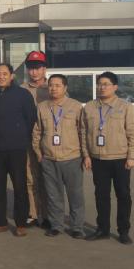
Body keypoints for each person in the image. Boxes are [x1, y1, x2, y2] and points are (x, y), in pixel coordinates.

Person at [82, 71, 134, 245]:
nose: (102, 87)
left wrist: (132, 156)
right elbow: (83, 133)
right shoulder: (89, 107)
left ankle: (123, 231)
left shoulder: (125, 107)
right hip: (98, 159)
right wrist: (86, 155)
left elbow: (133, 133)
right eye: (99, 84)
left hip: (120, 159)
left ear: (115, 87)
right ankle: (103, 229)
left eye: (106, 84)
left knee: (123, 195)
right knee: (101, 195)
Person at [0, 63, 37, 237]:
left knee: (20, 185)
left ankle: (21, 223)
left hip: (16, 148)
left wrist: (19, 135)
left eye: (5, 73)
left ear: (11, 76)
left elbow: (30, 119)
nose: (1, 76)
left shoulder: (23, 94)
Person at [31, 74, 86, 239]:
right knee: (53, 195)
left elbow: (83, 132)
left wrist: (85, 155)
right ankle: (56, 225)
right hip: (49, 159)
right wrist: (39, 153)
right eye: (51, 85)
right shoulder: (42, 107)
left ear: (65, 88)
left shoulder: (75, 106)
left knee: (75, 195)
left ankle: (77, 227)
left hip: (72, 158)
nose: (53, 88)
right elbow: (37, 132)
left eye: (57, 85)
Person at [21, 50, 50, 228]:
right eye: (31, 68)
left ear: (44, 69)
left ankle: (47, 215)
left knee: (47, 179)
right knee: (30, 178)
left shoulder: (53, 88)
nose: (34, 72)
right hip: (27, 140)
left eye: (38, 67)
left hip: (48, 141)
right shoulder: (21, 90)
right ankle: (32, 213)